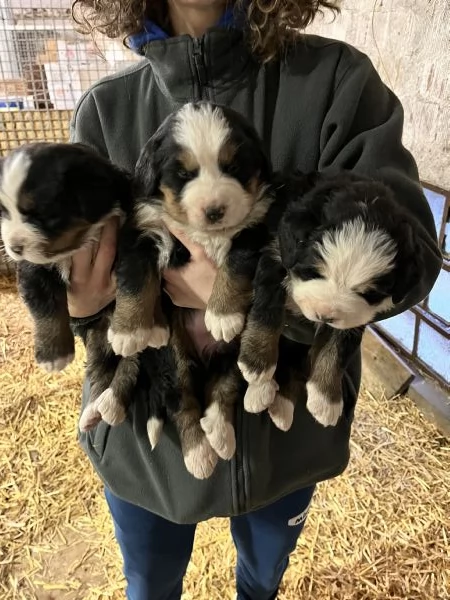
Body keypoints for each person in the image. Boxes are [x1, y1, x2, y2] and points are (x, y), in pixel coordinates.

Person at [67, 1, 442, 598]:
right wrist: (84, 309)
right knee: (148, 582)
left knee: (263, 578)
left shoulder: (338, 83)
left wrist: (255, 303)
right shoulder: (106, 110)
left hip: (286, 440)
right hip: (147, 438)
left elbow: (416, 257)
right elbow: (77, 290)